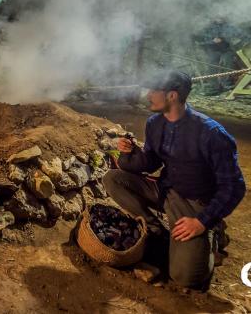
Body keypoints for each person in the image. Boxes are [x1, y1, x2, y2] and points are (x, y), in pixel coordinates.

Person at [103, 70, 246, 289]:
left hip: (194, 203)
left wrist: (202, 222)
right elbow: (150, 163)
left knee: (186, 278)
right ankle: (157, 231)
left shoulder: (211, 134)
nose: (148, 94)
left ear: (172, 96)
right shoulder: (154, 123)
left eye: (154, 91)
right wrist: (127, 153)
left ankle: (214, 234)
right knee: (113, 179)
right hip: (166, 190)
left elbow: (234, 186)